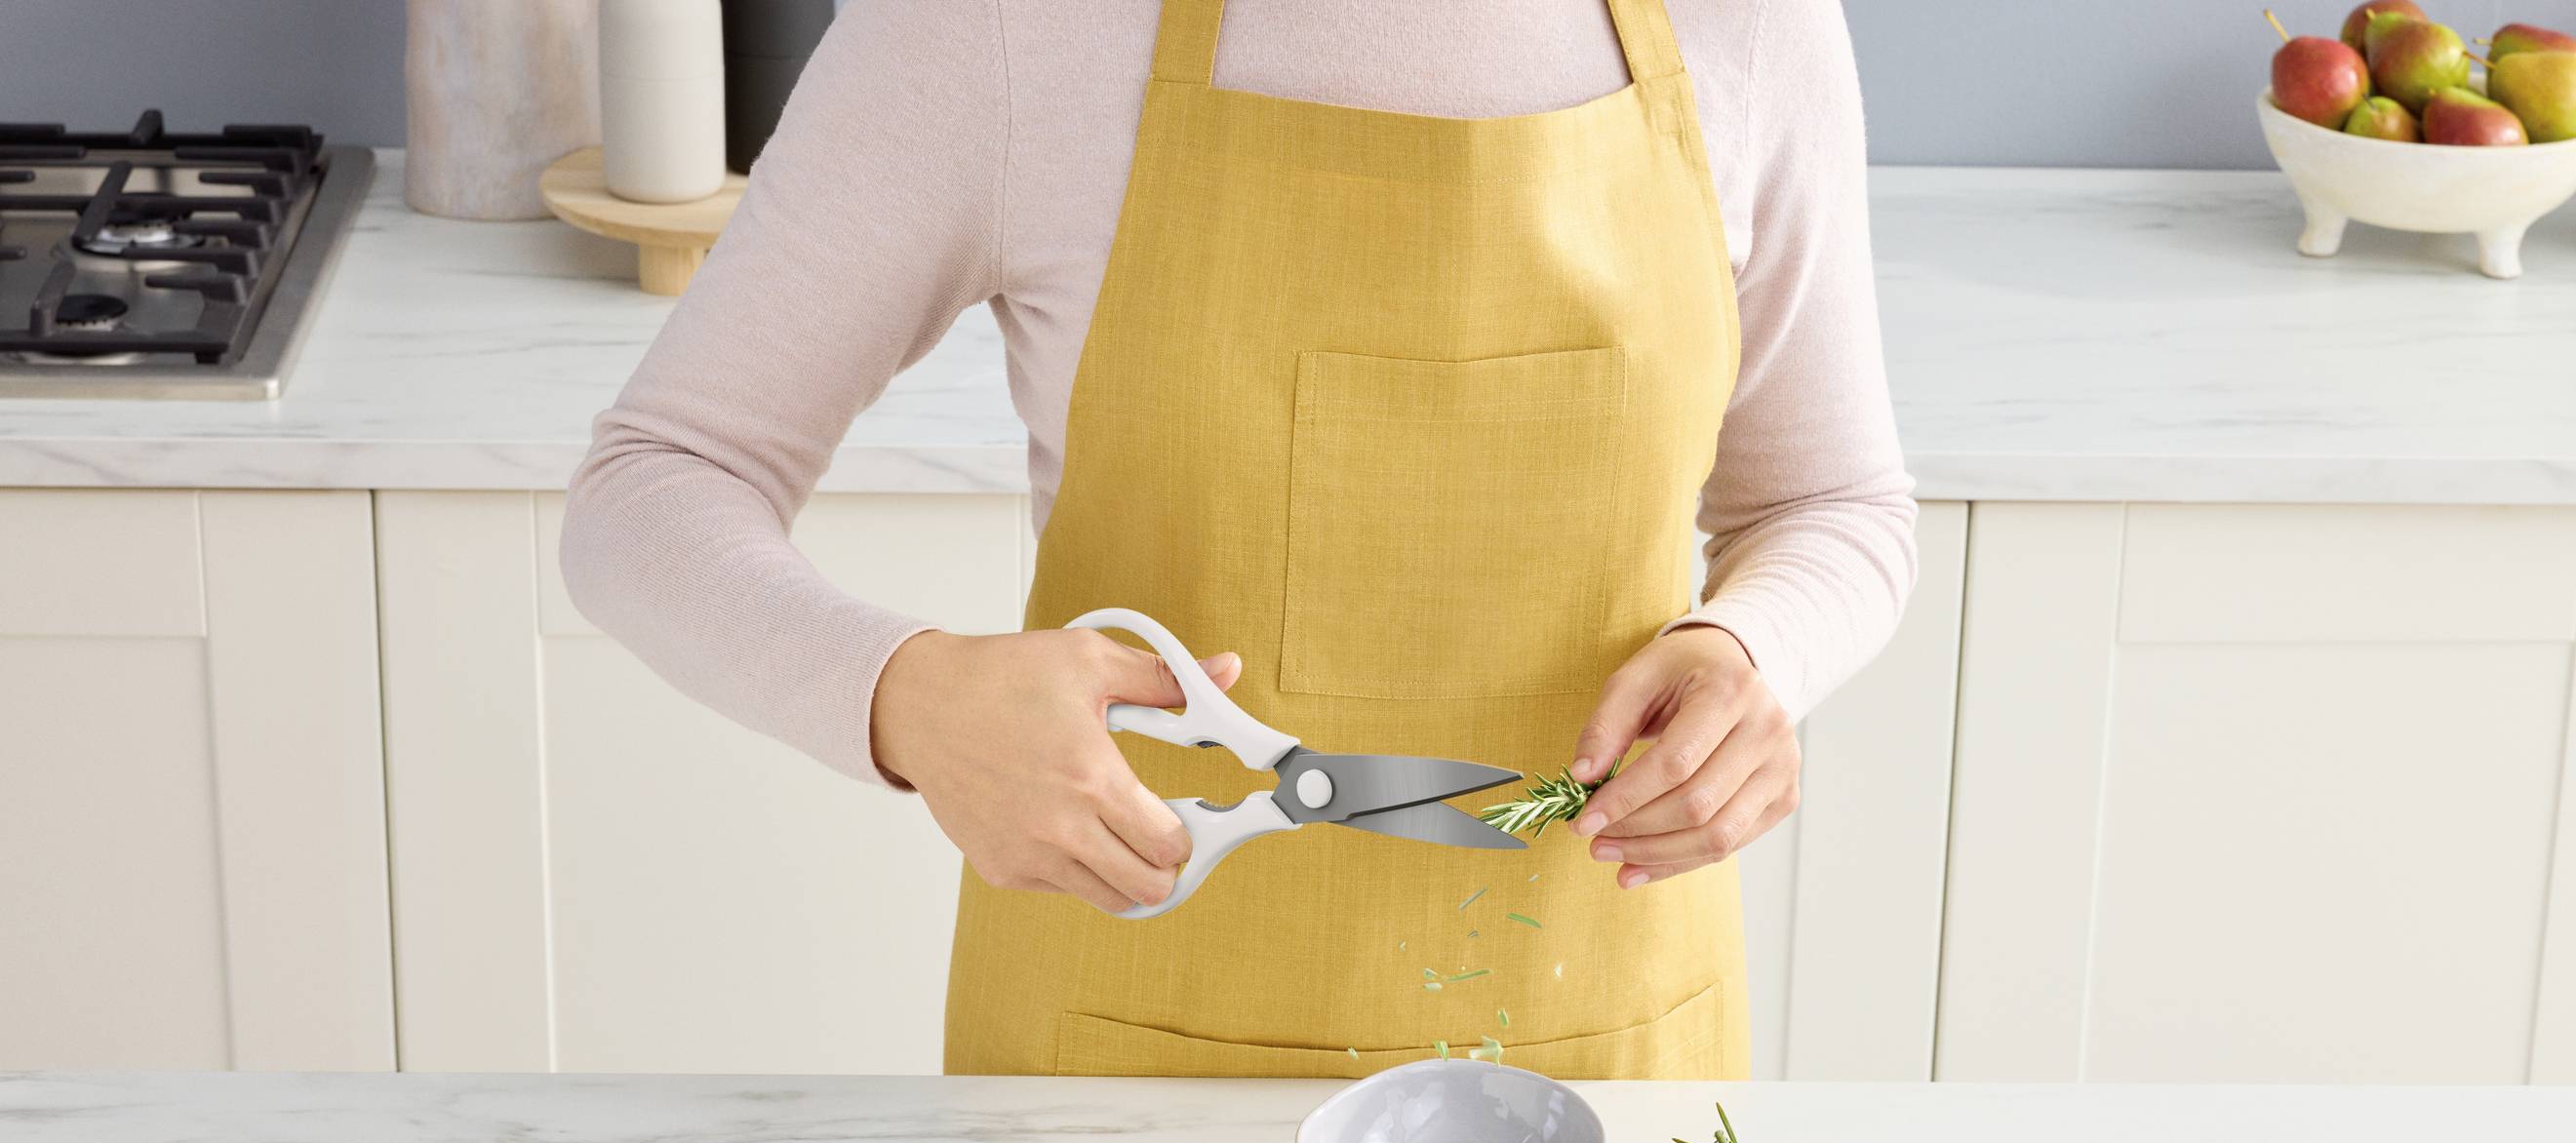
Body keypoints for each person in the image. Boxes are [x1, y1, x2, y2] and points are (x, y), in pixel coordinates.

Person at [560, 0, 1914, 1080]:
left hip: (1609, 1068)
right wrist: (907, 695)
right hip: (1116, 1081)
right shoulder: (999, 32)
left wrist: (1754, 652)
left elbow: (1834, 504)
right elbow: (653, 483)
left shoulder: (1750, 26)